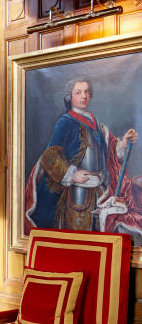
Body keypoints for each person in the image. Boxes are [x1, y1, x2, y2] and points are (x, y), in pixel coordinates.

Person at [24, 77, 138, 233]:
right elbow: (50, 155)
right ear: (70, 97)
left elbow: (108, 151)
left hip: (100, 193)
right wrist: (72, 174)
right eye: (78, 92)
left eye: (86, 92)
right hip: (76, 194)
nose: (83, 96)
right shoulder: (66, 121)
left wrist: (123, 143)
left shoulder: (96, 123)